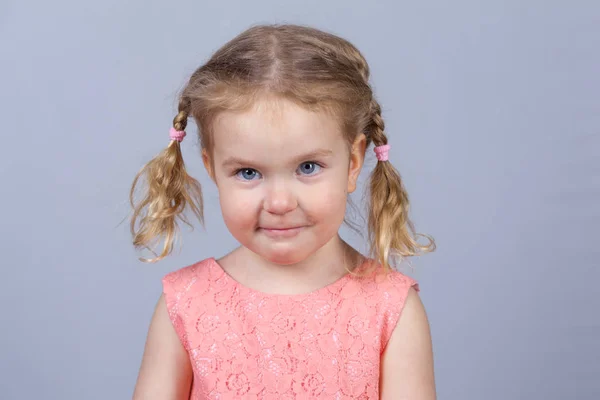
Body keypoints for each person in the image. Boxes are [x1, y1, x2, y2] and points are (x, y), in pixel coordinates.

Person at [129, 24, 437, 399]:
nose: (279, 203)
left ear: (354, 162)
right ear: (212, 170)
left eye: (307, 167)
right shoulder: (186, 304)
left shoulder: (391, 309)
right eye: (248, 172)